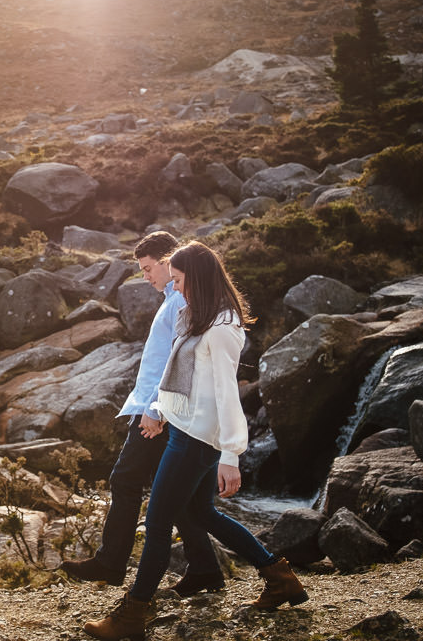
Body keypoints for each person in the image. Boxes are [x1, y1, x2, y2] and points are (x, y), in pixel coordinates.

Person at [83, 242, 307, 641]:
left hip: (198, 440)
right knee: (203, 513)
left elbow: (225, 393)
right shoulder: (195, 314)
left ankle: (132, 615)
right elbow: (183, 377)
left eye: (182, 280)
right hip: (183, 429)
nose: (177, 288)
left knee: (157, 521)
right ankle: (279, 576)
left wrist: (232, 455)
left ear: (198, 278)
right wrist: (160, 412)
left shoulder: (223, 327)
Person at [62, 231, 221, 595]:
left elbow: (176, 361)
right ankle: (206, 569)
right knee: (176, 496)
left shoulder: (179, 302)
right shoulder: (173, 299)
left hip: (157, 409)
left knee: (125, 480)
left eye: (149, 269)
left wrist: (153, 408)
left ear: (169, 261)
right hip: (160, 407)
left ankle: (111, 562)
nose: (146, 277)